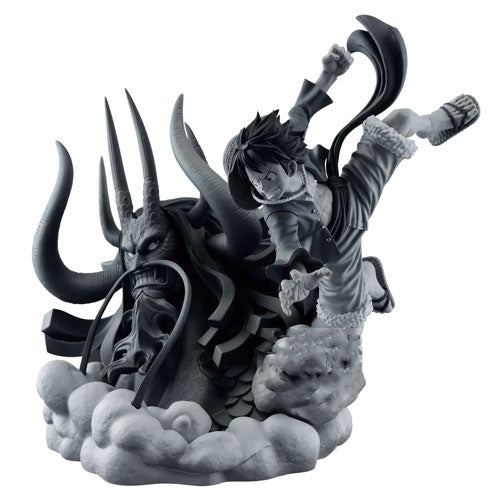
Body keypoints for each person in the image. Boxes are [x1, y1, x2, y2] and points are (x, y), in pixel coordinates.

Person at [223, 45, 480, 328]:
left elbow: (302, 109)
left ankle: (435, 124)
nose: (263, 188)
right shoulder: (277, 213)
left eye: (269, 177)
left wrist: (329, 73)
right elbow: (287, 246)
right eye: (254, 182)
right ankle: (370, 281)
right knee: (345, 327)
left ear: (290, 166)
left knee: (402, 120)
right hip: (338, 251)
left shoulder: (287, 144)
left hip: (351, 194)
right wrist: (298, 277)